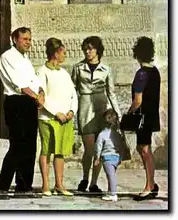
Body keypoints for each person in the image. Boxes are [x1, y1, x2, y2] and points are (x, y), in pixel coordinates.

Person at [0, 27, 44, 197]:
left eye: (30, 39)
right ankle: (2, 186)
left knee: (30, 146)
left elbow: (34, 81)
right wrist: (36, 96)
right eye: (25, 39)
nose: (28, 42)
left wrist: (41, 94)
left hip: (29, 103)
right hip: (16, 103)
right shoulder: (7, 57)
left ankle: (23, 186)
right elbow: (19, 85)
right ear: (15, 39)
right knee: (18, 145)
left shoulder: (25, 60)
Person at [71, 36, 121, 194]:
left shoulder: (106, 69)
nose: (87, 51)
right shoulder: (78, 67)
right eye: (85, 48)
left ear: (97, 50)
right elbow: (72, 90)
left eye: (90, 48)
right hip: (85, 108)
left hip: (101, 109)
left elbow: (111, 93)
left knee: (101, 148)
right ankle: (85, 177)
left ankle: (93, 182)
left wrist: (118, 114)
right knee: (89, 148)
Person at [36, 38, 78, 197]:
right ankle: (45, 185)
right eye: (63, 52)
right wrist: (56, 113)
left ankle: (59, 184)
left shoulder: (64, 73)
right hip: (48, 118)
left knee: (60, 152)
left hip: (65, 119)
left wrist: (71, 111)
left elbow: (73, 94)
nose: (65, 56)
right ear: (56, 53)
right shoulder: (42, 72)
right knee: (46, 150)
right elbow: (42, 96)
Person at [128, 36, 160, 201]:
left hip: (143, 117)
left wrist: (129, 112)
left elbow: (138, 100)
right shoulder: (155, 71)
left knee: (145, 150)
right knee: (143, 148)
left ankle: (149, 186)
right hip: (151, 115)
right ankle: (152, 183)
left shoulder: (142, 74)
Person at [94, 109, 125, 202]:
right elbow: (121, 146)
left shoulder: (102, 134)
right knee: (111, 175)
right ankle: (110, 191)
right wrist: (121, 157)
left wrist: (97, 158)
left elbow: (98, 147)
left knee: (110, 175)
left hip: (107, 158)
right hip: (116, 157)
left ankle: (113, 194)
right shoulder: (117, 135)